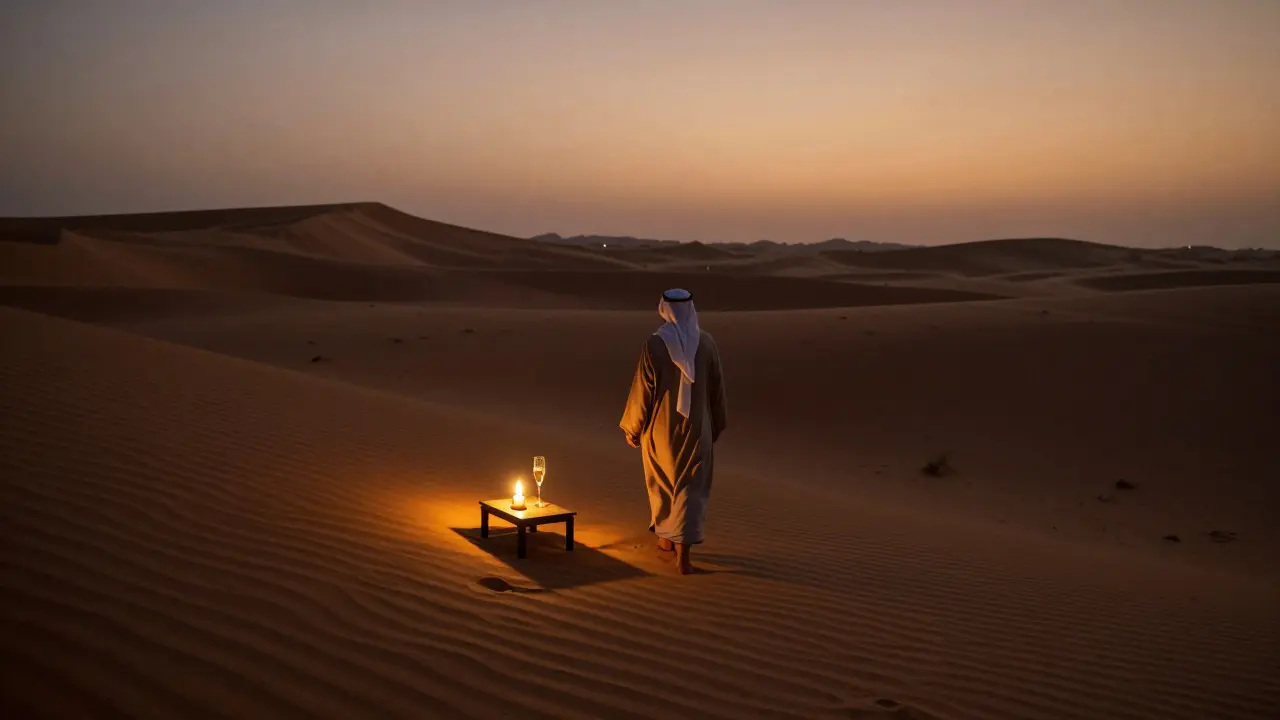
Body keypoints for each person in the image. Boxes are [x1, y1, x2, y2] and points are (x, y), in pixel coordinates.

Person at [619, 288, 728, 574]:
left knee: (664, 484)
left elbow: (642, 389)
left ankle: (673, 548)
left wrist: (633, 426)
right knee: (689, 489)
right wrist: (716, 423)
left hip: (661, 430)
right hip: (698, 428)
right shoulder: (706, 343)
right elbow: (717, 390)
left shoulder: (655, 344)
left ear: (665, 309)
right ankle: (678, 551)